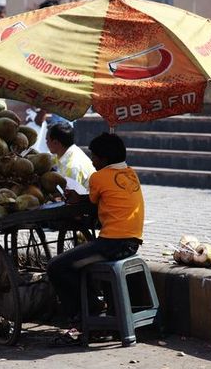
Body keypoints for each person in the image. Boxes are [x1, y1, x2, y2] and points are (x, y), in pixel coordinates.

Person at [46, 132, 144, 345]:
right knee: (78, 262)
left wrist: (75, 198)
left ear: (105, 160)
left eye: (95, 157)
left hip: (112, 244)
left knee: (57, 266)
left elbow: (90, 204)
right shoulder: (131, 173)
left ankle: (84, 318)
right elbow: (102, 200)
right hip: (132, 241)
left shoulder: (98, 177)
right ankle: (96, 312)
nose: (92, 161)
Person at [45, 122, 95, 189]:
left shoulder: (71, 167)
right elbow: (50, 158)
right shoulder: (66, 152)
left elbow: (71, 196)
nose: (46, 143)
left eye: (47, 140)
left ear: (56, 143)